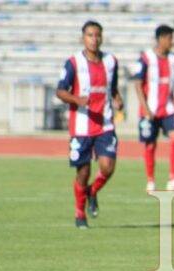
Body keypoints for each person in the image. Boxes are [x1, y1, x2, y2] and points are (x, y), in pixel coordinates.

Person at [56, 20, 123, 228]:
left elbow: (112, 88)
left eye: (97, 35)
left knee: (108, 167)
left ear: (102, 37)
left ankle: (92, 191)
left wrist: (118, 99)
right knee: (83, 173)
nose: (94, 39)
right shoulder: (74, 63)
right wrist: (77, 100)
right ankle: (79, 214)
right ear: (83, 38)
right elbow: (60, 91)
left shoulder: (111, 61)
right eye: (90, 35)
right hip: (81, 126)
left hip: (105, 124)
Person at [131, 24, 174, 192]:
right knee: (150, 145)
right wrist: (145, 108)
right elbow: (137, 84)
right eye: (170, 38)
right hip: (149, 110)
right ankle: (150, 180)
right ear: (161, 39)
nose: (172, 42)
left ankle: (173, 179)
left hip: (169, 109)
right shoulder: (146, 58)